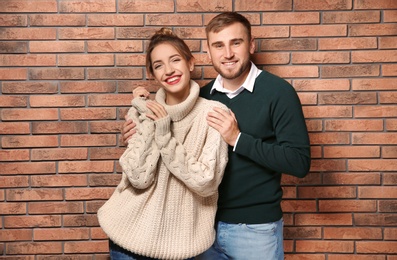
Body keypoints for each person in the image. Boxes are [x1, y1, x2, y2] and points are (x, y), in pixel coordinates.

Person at [122, 12, 311, 260]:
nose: (228, 54)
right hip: (200, 228)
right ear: (208, 52)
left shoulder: (278, 92)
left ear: (251, 45)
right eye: (218, 45)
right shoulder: (202, 98)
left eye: (236, 43)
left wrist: (238, 139)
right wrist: (138, 123)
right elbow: (170, 139)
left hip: (254, 230)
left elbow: (298, 162)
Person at [98, 28, 229, 260]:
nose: (169, 70)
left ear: (191, 63)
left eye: (175, 60)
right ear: (153, 74)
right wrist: (147, 119)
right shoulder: (142, 111)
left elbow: (206, 182)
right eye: (158, 65)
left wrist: (164, 134)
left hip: (184, 245)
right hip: (128, 237)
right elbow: (139, 178)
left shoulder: (214, 113)